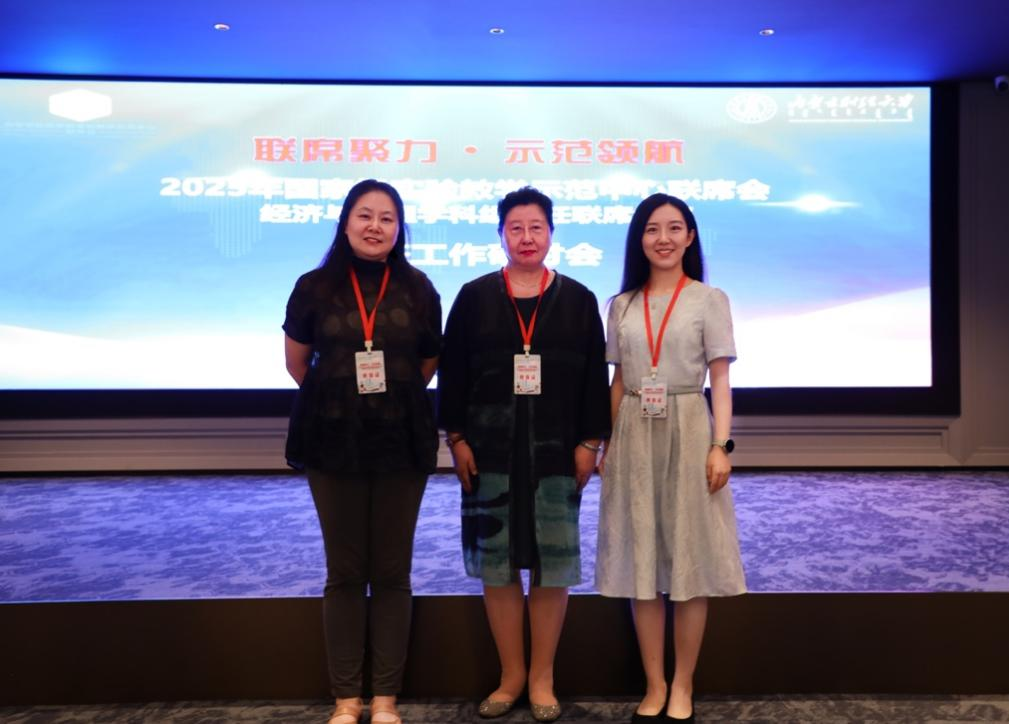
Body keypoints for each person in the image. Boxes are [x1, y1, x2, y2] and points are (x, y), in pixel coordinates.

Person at [438, 187, 611, 722]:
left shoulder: (578, 299)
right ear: (500, 235)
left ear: (552, 233)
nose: (527, 237)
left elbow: (593, 379)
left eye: (536, 227)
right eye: (516, 227)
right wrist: (456, 439)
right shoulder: (474, 297)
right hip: (488, 454)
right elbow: (453, 374)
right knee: (497, 567)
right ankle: (511, 675)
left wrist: (590, 443)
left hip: (557, 455)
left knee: (551, 568)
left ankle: (542, 677)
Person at [283, 179, 441, 724]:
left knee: (393, 571)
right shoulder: (313, 287)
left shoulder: (419, 288)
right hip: (333, 443)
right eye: (365, 215)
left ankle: (386, 699)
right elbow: (297, 364)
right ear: (346, 222)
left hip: (401, 443)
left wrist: (385, 401)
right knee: (346, 572)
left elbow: (426, 364)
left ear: (399, 228)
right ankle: (347, 698)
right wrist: (342, 401)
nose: (376, 226)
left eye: (387, 218)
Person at [595, 194, 746, 722]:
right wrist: (606, 444)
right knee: (641, 560)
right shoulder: (621, 304)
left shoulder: (709, 299)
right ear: (639, 239)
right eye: (652, 229)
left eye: (674, 228)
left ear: (690, 237)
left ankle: (683, 684)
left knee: (688, 560)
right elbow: (618, 381)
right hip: (634, 430)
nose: (663, 238)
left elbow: (721, 379)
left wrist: (720, 445)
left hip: (688, 428)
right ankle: (654, 684)